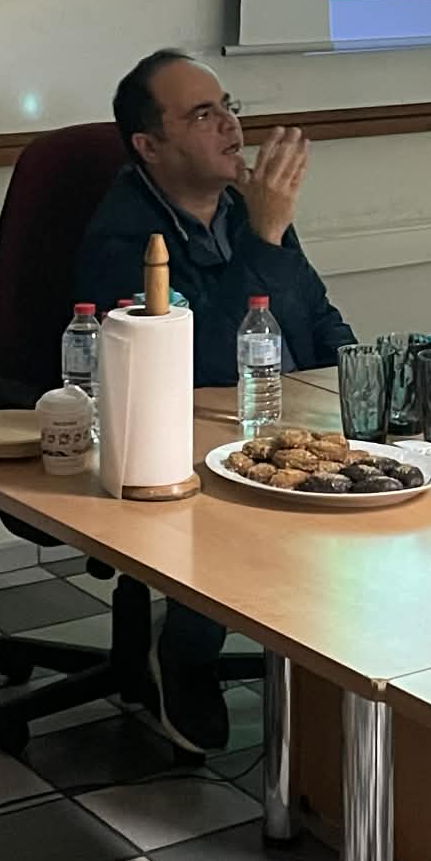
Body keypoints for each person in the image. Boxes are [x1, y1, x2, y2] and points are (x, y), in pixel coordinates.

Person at [78, 49, 355, 752]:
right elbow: (199, 364)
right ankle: (187, 647)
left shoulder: (243, 206)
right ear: (150, 145)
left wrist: (360, 384)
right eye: (203, 115)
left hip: (286, 418)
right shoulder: (125, 236)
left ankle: (335, 681)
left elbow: (314, 314)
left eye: (228, 106)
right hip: (183, 432)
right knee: (241, 498)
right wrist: (264, 236)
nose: (231, 125)